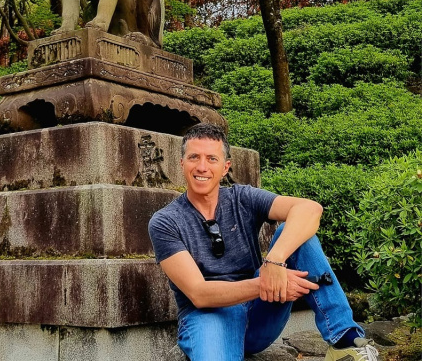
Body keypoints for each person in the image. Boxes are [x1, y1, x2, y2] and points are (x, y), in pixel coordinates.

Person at [148, 123, 378, 361]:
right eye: (194, 157)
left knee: (298, 232)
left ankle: (343, 340)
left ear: (225, 167)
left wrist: (275, 262)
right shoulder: (165, 222)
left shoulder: (242, 197)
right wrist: (268, 282)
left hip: (259, 314)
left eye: (212, 159)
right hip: (208, 316)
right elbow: (199, 293)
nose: (202, 166)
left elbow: (310, 209)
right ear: (182, 163)